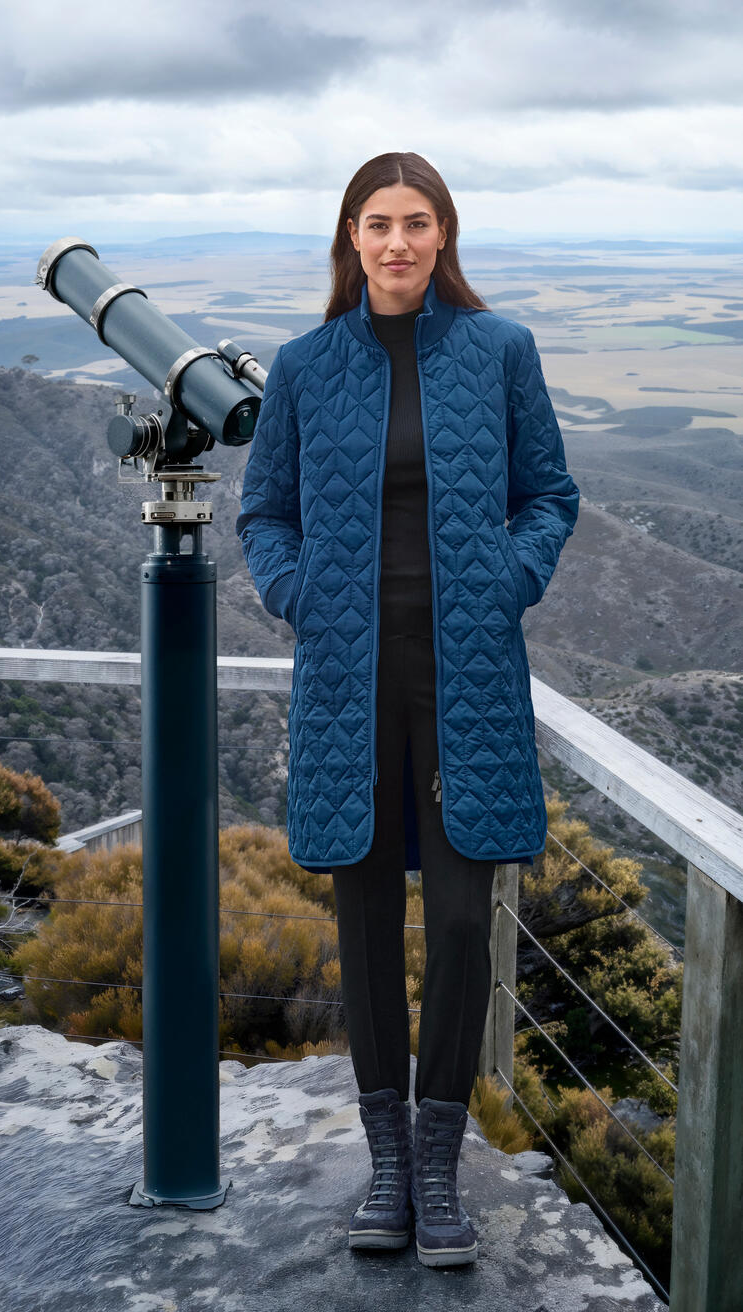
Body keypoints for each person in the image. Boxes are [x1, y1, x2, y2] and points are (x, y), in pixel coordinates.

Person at [235, 151, 580, 1267]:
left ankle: (439, 1161)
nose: (394, 241)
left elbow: (549, 493)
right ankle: (389, 1167)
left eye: (414, 222)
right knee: (366, 920)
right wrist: (298, 596)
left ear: (443, 236)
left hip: (466, 674)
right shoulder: (302, 366)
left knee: (468, 919)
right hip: (347, 681)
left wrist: (508, 576)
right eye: (375, 222)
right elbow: (263, 513)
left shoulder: (498, 353)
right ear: (349, 237)